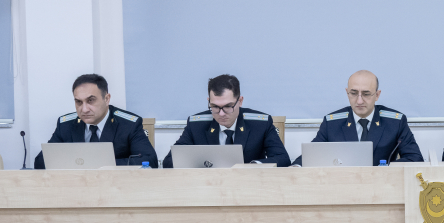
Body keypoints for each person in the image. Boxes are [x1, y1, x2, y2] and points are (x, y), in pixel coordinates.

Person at [292, 70, 423, 166]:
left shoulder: (395, 122)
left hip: (382, 186)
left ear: (377, 95)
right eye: (353, 93)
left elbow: (415, 158)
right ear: (347, 93)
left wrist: (385, 169)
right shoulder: (332, 123)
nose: (359, 101)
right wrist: (295, 167)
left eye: (366, 94)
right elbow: (311, 155)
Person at [162, 74, 291, 168]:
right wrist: (201, 163)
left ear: (240, 101)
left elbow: (283, 159)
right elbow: (169, 161)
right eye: (215, 107)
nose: (221, 113)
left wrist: (253, 166)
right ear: (209, 102)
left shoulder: (261, 124)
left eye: (228, 106)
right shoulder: (196, 125)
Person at [34, 74, 158, 169]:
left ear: (106, 98)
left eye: (91, 100)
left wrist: (99, 163)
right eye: (78, 102)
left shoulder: (129, 124)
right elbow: (41, 162)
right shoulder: (66, 125)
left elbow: (150, 160)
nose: (84, 109)